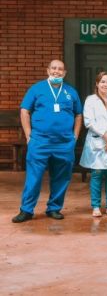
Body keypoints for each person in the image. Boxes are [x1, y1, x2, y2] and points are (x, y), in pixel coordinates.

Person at [12, 60, 83, 223]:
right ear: (48, 70)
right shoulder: (37, 89)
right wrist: (29, 135)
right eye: (54, 68)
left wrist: (75, 136)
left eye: (60, 69)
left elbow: (78, 114)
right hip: (40, 142)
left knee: (61, 177)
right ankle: (26, 210)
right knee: (33, 177)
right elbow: (24, 111)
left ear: (65, 73)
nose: (57, 71)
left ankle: (54, 208)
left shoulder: (70, 92)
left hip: (64, 143)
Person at [80, 72, 107, 217]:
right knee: (97, 174)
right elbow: (88, 121)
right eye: (103, 82)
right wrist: (105, 135)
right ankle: (96, 206)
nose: (105, 85)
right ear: (97, 83)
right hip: (98, 141)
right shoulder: (90, 100)